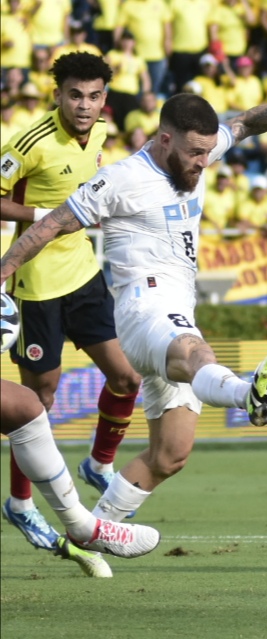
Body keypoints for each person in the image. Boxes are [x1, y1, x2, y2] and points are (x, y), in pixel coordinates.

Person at [0, 81, 267, 525]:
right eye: (195, 152)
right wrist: (1, 275)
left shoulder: (199, 152)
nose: (202, 162)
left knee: (170, 454)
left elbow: (247, 122)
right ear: (165, 138)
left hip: (178, 307)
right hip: (143, 309)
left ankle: (94, 533)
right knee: (196, 351)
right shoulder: (120, 179)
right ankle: (246, 393)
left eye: (208, 152)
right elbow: (50, 227)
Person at [0, 52, 144, 553]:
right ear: (57, 93)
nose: (85, 105)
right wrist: (44, 213)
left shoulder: (102, 134)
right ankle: (20, 503)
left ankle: (98, 465)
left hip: (83, 274)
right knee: (36, 405)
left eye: (94, 95)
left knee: (127, 378)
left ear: (105, 98)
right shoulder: (28, 142)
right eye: (75, 95)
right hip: (35, 285)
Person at [0, 292, 161, 578]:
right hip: (36, 290)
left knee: (25, 408)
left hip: (80, 282)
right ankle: (32, 507)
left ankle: (83, 522)